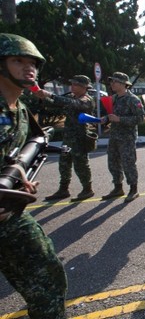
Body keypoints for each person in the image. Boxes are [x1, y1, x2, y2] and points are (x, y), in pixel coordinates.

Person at [0, 33, 67, 318]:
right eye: (18, 61)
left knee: (49, 278)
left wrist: (17, 176)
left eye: (33, 64)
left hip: (7, 214)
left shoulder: (22, 112)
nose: (29, 69)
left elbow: (10, 156)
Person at [35, 75, 96, 202]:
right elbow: (57, 104)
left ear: (83, 87)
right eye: (72, 84)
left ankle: (87, 189)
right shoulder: (71, 97)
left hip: (80, 138)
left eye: (75, 84)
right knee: (64, 163)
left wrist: (50, 94)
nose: (71, 86)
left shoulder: (87, 99)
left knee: (81, 164)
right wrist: (43, 97)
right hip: (68, 138)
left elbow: (72, 104)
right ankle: (63, 189)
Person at [101, 72, 144, 203]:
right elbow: (111, 115)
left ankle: (133, 189)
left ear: (124, 84)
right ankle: (118, 187)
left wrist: (120, 119)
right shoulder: (114, 98)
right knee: (112, 162)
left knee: (128, 163)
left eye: (115, 82)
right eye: (111, 82)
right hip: (114, 136)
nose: (112, 84)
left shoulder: (133, 99)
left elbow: (140, 118)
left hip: (127, 137)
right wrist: (106, 119)